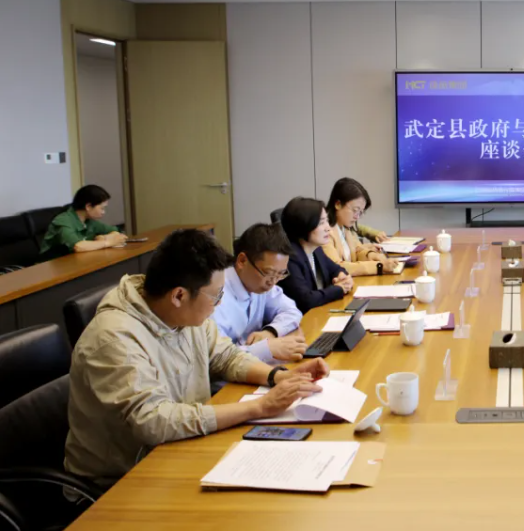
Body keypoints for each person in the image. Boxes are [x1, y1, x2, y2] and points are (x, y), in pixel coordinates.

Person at [65, 228, 330, 487]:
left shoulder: (180, 314)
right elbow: (153, 421)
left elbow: (226, 356)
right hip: (122, 480)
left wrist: (279, 376)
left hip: (180, 447)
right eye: (216, 295)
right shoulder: (114, 338)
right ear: (179, 295)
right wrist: (259, 407)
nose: (219, 303)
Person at [212, 222, 306, 364]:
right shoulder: (216, 295)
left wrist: (271, 331)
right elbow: (217, 356)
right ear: (242, 261)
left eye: (280, 274)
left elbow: (291, 311)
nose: (273, 282)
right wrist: (266, 349)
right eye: (269, 273)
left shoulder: (261, 283)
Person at [277, 196, 353, 312]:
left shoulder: (316, 249)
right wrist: (339, 289)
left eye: (327, 221)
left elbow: (336, 269)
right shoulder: (289, 258)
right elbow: (306, 300)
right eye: (321, 223)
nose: (328, 228)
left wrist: (342, 277)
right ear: (303, 225)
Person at [322, 178, 401, 276]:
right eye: (355, 210)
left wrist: (373, 255)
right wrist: (378, 266)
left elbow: (357, 251)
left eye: (360, 212)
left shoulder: (345, 227)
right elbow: (337, 267)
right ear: (338, 204)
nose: (357, 217)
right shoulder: (325, 233)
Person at [39, 185, 127, 259]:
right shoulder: (63, 221)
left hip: (75, 261)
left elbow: (116, 231)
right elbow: (78, 246)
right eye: (102, 208)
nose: (103, 212)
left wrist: (104, 237)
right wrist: (108, 242)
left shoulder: (89, 220)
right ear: (88, 206)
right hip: (51, 266)